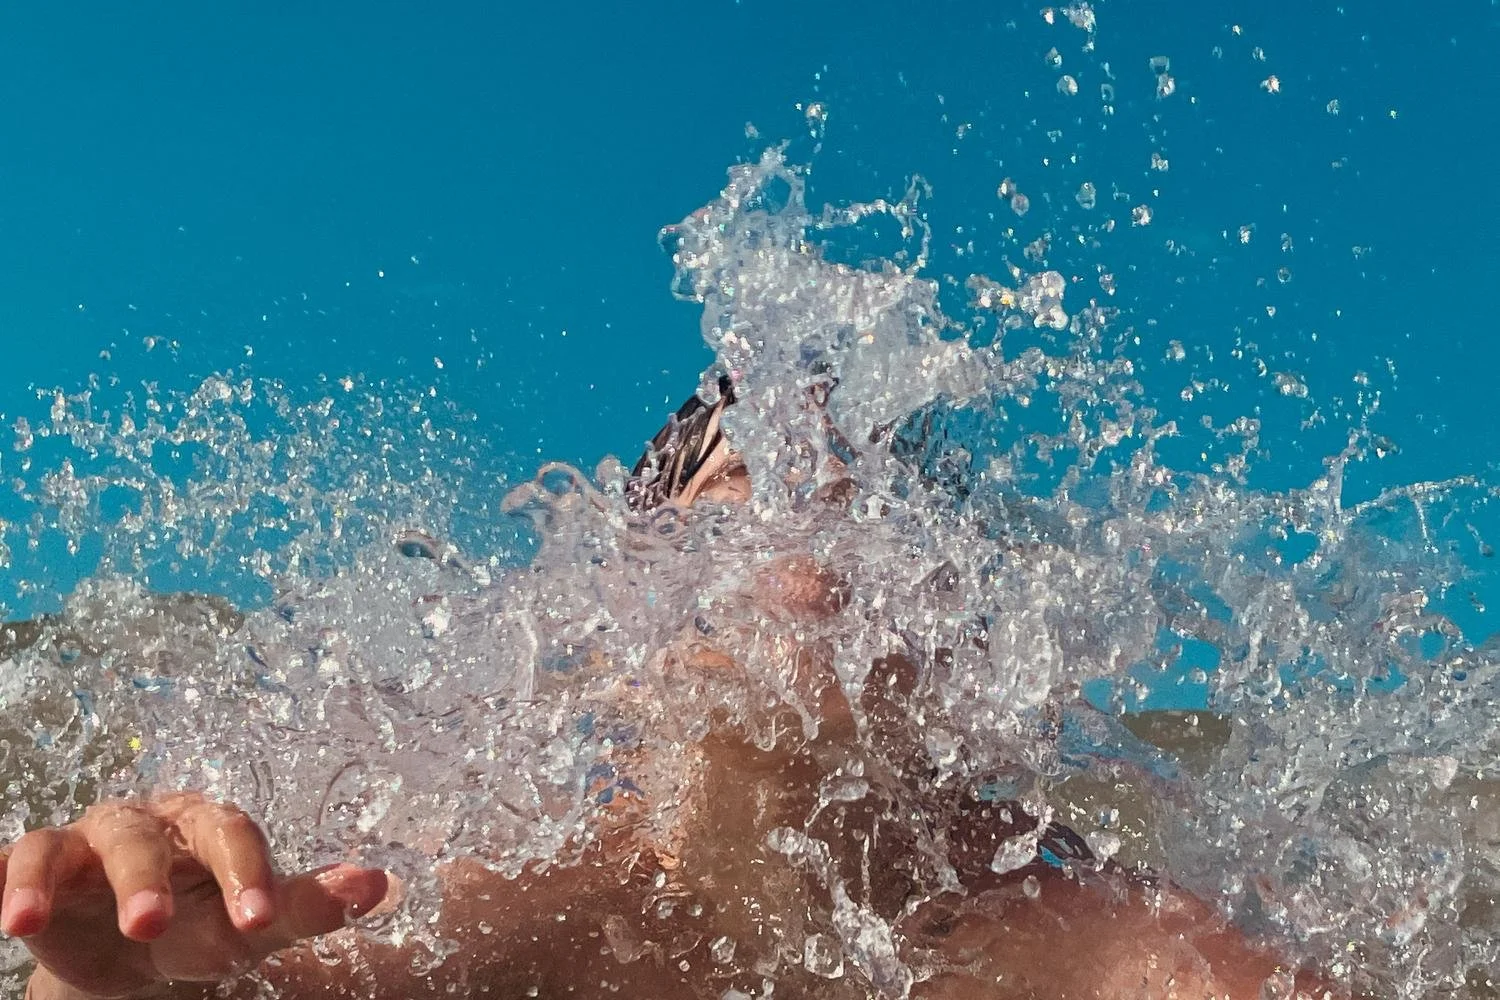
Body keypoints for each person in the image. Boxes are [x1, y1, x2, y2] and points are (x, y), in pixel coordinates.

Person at [2, 379, 1338, 1000]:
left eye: (869, 511)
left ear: (953, 639)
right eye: (746, 490)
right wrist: (108, 984)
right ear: (618, 600)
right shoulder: (506, 914)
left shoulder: (1092, 946)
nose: (811, 555)